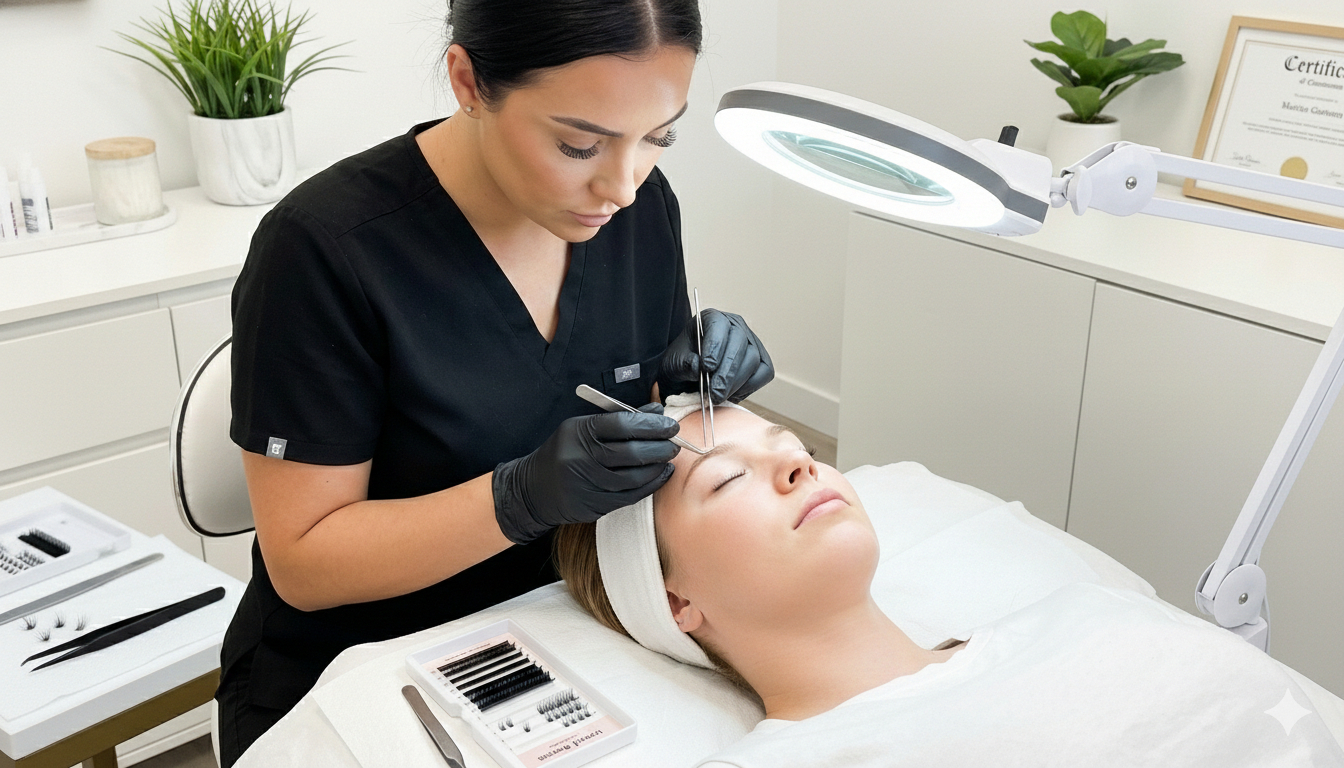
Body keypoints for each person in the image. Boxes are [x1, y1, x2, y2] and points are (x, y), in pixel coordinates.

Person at [217, 1, 774, 763]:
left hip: (563, 630)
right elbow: (306, 565)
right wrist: (517, 498)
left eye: (659, 137)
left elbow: (634, 428)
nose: (622, 185)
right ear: (468, 80)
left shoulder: (639, 212)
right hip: (361, 666)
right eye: (580, 143)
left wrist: (685, 394)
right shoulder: (322, 251)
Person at [554, 403, 1344, 766]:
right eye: (728, 481)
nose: (800, 464)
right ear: (675, 603)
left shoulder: (1086, 613)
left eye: (790, 443)